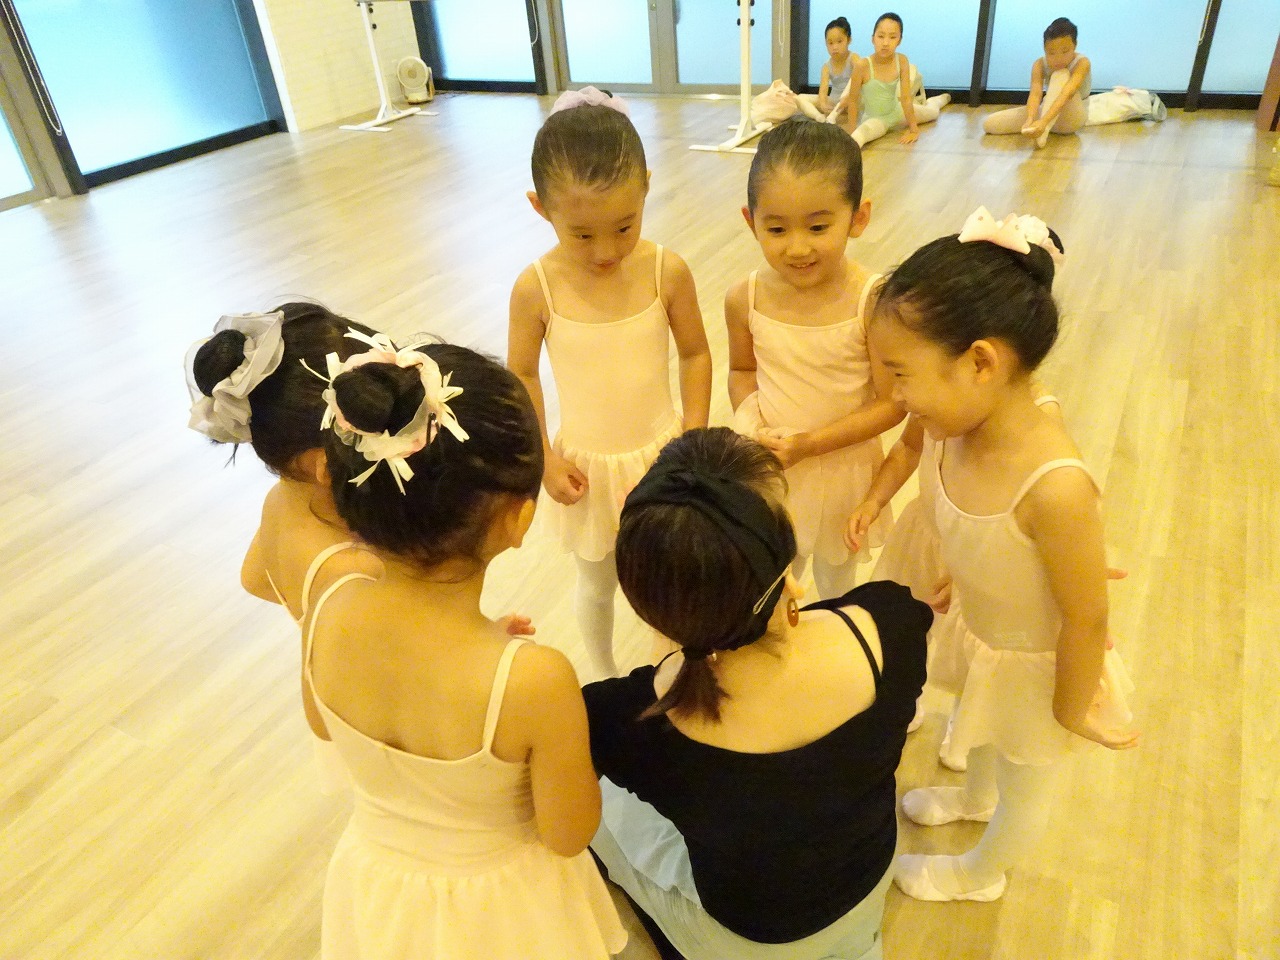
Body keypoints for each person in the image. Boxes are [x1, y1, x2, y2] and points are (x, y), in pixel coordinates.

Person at [302, 339, 625, 958]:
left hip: (378, 885)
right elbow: (568, 833)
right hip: (502, 909)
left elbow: (324, 723)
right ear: (517, 519)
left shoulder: (327, 600)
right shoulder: (534, 680)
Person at [867, 208, 1138, 903]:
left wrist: (1068, 710)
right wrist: (967, 574)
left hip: (1041, 666)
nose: (894, 396)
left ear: (981, 363)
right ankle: (973, 798)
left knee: (1028, 779)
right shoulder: (961, 422)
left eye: (901, 374)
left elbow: (1086, 615)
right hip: (986, 632)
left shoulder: (1055, 485)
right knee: (981, 723)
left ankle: (981, 873)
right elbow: (979, 530)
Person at [583, 427, 931, 960]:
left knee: (602, 813)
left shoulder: (624, 719)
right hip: (867, 890)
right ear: (788, 575)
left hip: (753, 939)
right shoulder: (891, 623)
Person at [508, 89, 712, 679]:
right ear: (540, 208)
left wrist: (693, 436)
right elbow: (521, 374)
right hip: (587, 471)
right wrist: (543, 457)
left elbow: (696, 354)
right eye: (581, 234)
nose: (605, 250)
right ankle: (603, 677)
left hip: (662, 457)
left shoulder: (665, 270)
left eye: (624, 226)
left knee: (668, 579)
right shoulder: (536, 287)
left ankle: (672, 674)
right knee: (596, 582)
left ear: (646, 187)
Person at [727, 117, 903, 599]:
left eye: (819, 226)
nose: (798, 247)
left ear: (858, 218)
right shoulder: (744, 297)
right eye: (776, 228)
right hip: (774, 465)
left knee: (835, 584)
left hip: (844, 470)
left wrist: (810, 444)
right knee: (772, 582)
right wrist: (752, 424)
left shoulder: (872, 300)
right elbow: (742, 371)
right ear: (751, 221)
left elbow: (893, 404)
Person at [830, 13, 951, 147]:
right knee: (859, 137)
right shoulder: (862, 65)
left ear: (899, 40)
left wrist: (914, 130)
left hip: (898, 112)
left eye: (892, 37)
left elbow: (906, 98)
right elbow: (852, 101)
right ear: (873, 39)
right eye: (881, 36)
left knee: (933, 113)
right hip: (875, 119)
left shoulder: (902, 60)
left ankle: (939, 100)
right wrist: (851, 134)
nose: (886, 43)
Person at [982, 17, 1092, 148]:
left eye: (1065, 51)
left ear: (1075, 46)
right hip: (1047, 114)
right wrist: (1030, 119)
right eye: (1051, 53)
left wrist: (1044, 122)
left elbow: (1067, 93)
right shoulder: (1039, 64)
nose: (1058, 58)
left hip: (1071, 118)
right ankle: (1038, 128)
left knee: (1061, 74)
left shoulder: (1082, 63)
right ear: (1044, 49)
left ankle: (1043, 131)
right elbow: (1035, 94)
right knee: (989, 124)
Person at [798, 17, 856, 122]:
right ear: (826, 43)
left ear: (849, 40)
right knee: (800, 98)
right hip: (834, 102)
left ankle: (836, 115)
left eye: (839, 41)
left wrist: (848, 98)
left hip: (852, 101)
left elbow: (860, 78)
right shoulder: (826, 66)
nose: (835, 47)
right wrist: (823, 104)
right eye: (830, 43)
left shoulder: (853, 58)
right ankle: (819, 117)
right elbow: (823, 90)